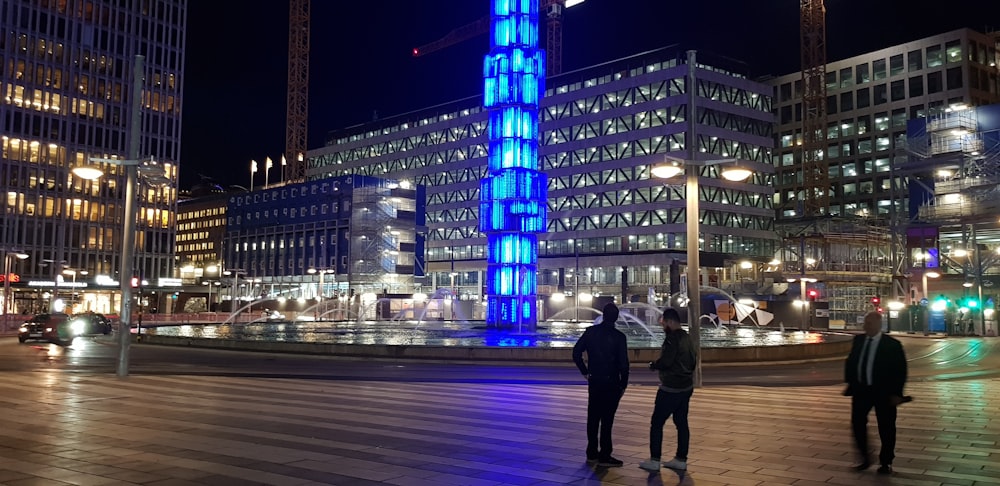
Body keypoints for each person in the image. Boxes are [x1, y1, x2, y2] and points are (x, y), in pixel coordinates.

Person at [844, 310, 908, 475]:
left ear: (879, 325)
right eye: (865, 323)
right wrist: (851, 383)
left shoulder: (892, 345)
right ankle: (865, 458)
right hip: (861, 391)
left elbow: (900, 371)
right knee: (857, 424)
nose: (866, 326)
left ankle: (886, 461)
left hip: (883, 392)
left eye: (869, 323)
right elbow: (851, 361)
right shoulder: (858, 340)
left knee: (886, 427)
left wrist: (897, 393)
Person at [639, 307, 697, 472]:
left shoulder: (672, 339)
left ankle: (655, 460)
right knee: (681, 423)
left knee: (657, 423)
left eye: (664, 322)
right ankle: (681, 459)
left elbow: (666, 362)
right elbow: (693, 360)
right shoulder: (687, 337)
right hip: (686, 387)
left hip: (670, 388)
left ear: (670, 322)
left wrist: (653, 365)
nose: (662, 325)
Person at [573, 302, 630, 467]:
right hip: (612, 382)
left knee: (593, 417)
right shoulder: (619, 337)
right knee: (607, 420)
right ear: (617, 318)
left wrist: (585, 371)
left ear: (603, 315)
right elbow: (624, 364)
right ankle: (605, 454)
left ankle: (591, 452)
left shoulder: (591, 332)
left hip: (595, 381)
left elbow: (576, 353)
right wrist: (623, 385)